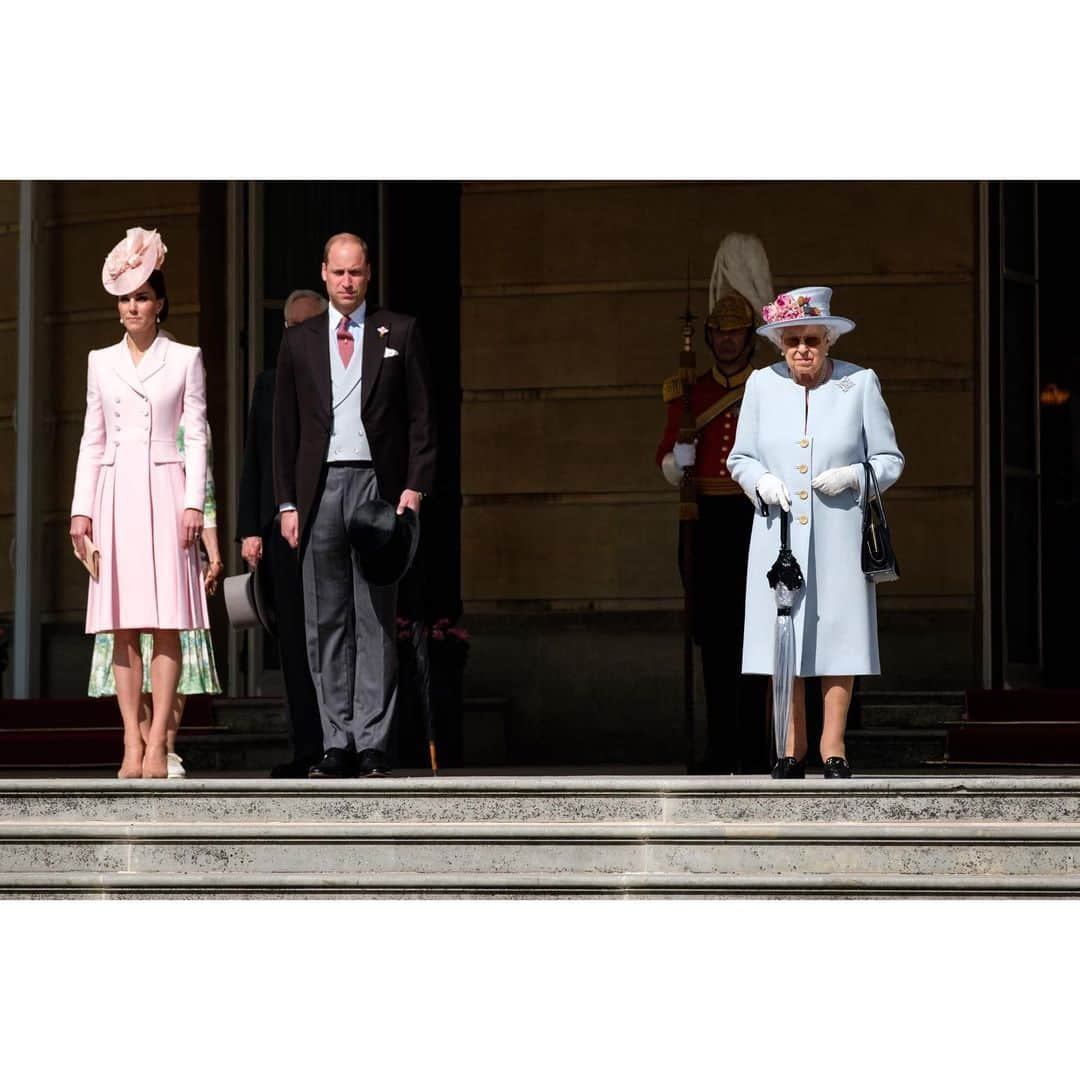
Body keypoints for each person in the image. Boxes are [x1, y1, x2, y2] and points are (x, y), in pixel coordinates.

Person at [273, 233, 437, 778]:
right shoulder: (300, 341)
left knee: (373, 619)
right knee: (326, 621)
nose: (347, 282)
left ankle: (371, 741)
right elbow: (285, 430)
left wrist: (413, 486)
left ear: (369, 274)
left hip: (376, 488)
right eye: (338, 273)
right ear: (323, 273)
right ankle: (335, 740)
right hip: (318, 489)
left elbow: (421, 418)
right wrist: (286, 503)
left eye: (356, 273)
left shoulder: (400, 331)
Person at [727, 286, 904, 779]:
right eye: (792, 340)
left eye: (812, 339)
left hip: (838, 532)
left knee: (838, 638)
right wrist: (759, 481)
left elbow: (890, 460)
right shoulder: (761, 385)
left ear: (829, 341)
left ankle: (833, 745)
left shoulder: (859, 383)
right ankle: (789, 745)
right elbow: (740, 458)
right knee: (783, 639)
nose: (802, 349)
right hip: (777, 533)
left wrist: (854, 476)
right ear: (780, 344)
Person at [70, 227, 209, 779]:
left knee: (168, 620)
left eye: (143, 296)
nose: (133, 306)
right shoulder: (99, 361)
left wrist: (194, 502)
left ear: (160, 302)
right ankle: (130, 739)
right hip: (113, 494)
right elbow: (91, 437)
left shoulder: (185, 357)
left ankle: (158, 743)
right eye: (126, 297)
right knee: (122, 624)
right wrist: (81, 509)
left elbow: (196, 433)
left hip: (168, 489)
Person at [655, 234, 773, 774]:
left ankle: (756, 744)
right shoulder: (688, 391)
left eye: (735, 333)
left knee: (758, 634)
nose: (726, 342)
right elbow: (664, 457)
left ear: (750, 336)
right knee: (714, 637)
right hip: (703, 521)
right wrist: (677, 458)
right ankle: (719, 743)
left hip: (754, 520)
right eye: (719, 334)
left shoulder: (768, 388)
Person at [87, 416, 223, 779]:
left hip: (172, 533)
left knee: (173, 636)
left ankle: (163, 743)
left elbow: (203, 489)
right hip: (122, 523)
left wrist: (212, 551)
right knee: (127, 635)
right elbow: (93, 454)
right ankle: (138, 742)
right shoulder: (115, 390)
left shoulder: (191, 423)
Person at [237, 288, 326, 778]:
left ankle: (343, 743)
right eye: (287, 328)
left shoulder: (338, 380)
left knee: (330, 639)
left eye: (304, 327)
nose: (293, 335)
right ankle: (305, 746)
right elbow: (255, 458)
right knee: (291, 641)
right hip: (279, 533)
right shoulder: (268, 384)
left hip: (327, 526)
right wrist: (249, 530)